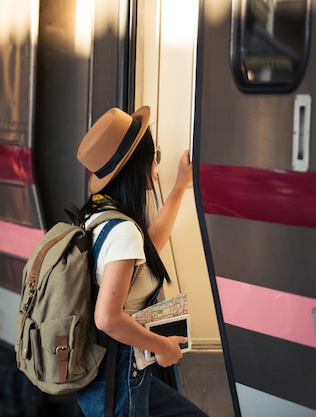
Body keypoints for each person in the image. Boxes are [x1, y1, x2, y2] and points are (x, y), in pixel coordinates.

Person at [75, 106, 208, 417]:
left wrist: (179, 187)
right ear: (138, 165)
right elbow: (107, 318)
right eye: (156, 155)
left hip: (105, 376)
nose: (157, 163)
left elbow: (147, 251)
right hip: (120, 379)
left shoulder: (99, 219)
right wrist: (162, 347)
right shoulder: (123, 232)